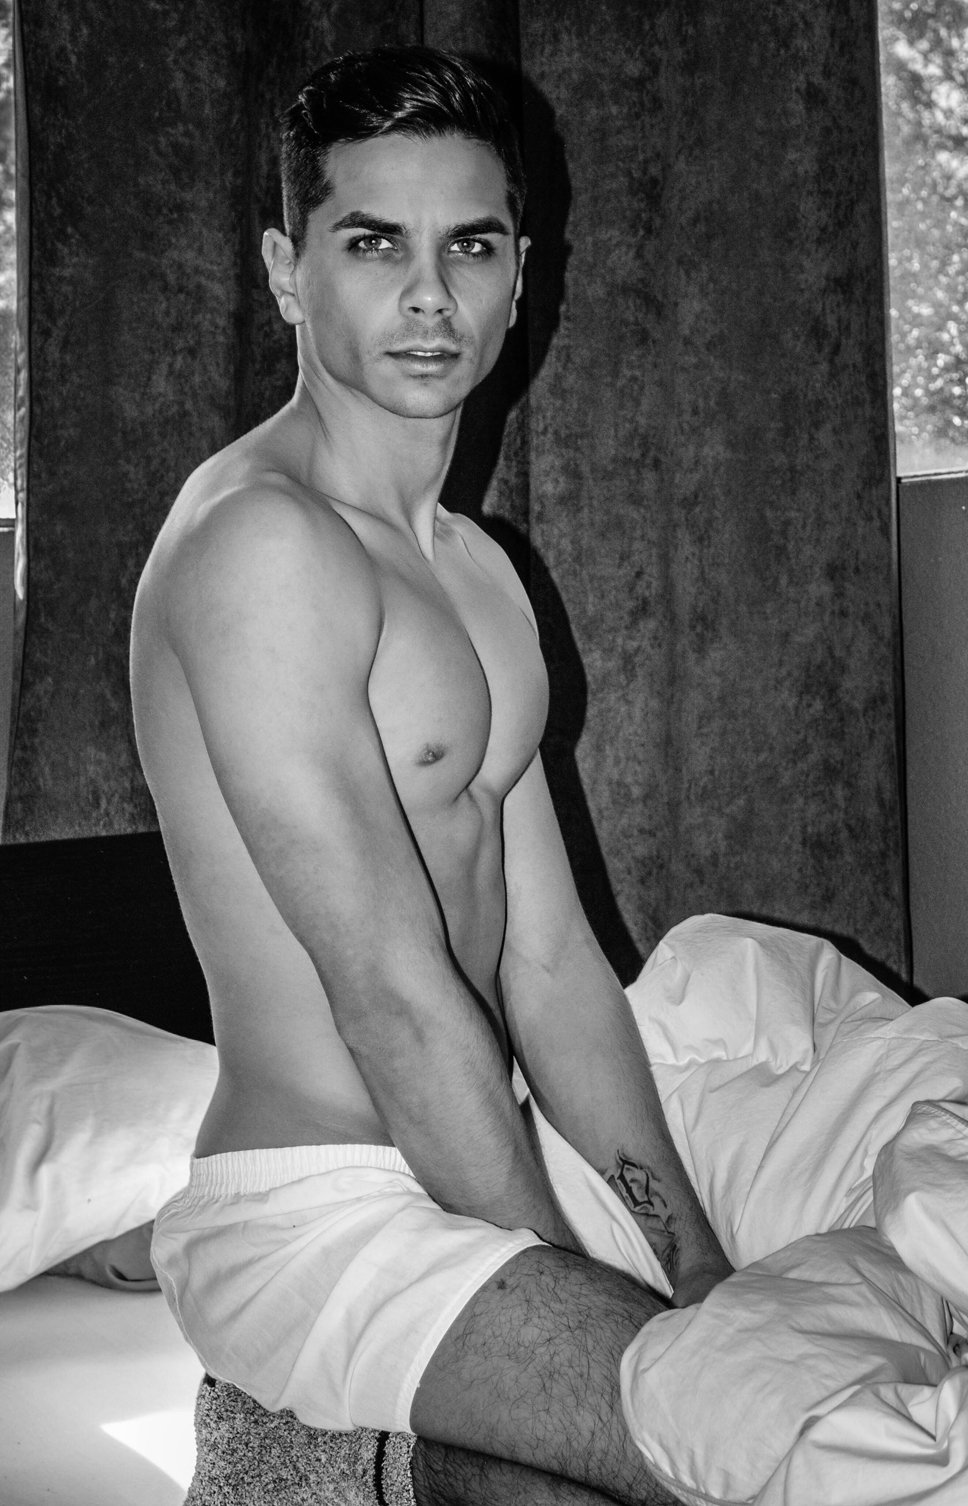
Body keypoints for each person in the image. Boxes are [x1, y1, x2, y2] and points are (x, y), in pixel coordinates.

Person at [132, 45, 731, 1505]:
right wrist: (591, 1305)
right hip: (317, 1206)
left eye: (469, 246)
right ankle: (288, 1444)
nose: (427, 295)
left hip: (482, 1151)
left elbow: (552, 967)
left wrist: (700, 1275)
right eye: (370, 244)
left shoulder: (480, 569)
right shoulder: (261, 543)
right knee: (719, 1445)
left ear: (520, 276)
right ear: (284, 273)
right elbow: (391, 995)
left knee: (772, 1388)